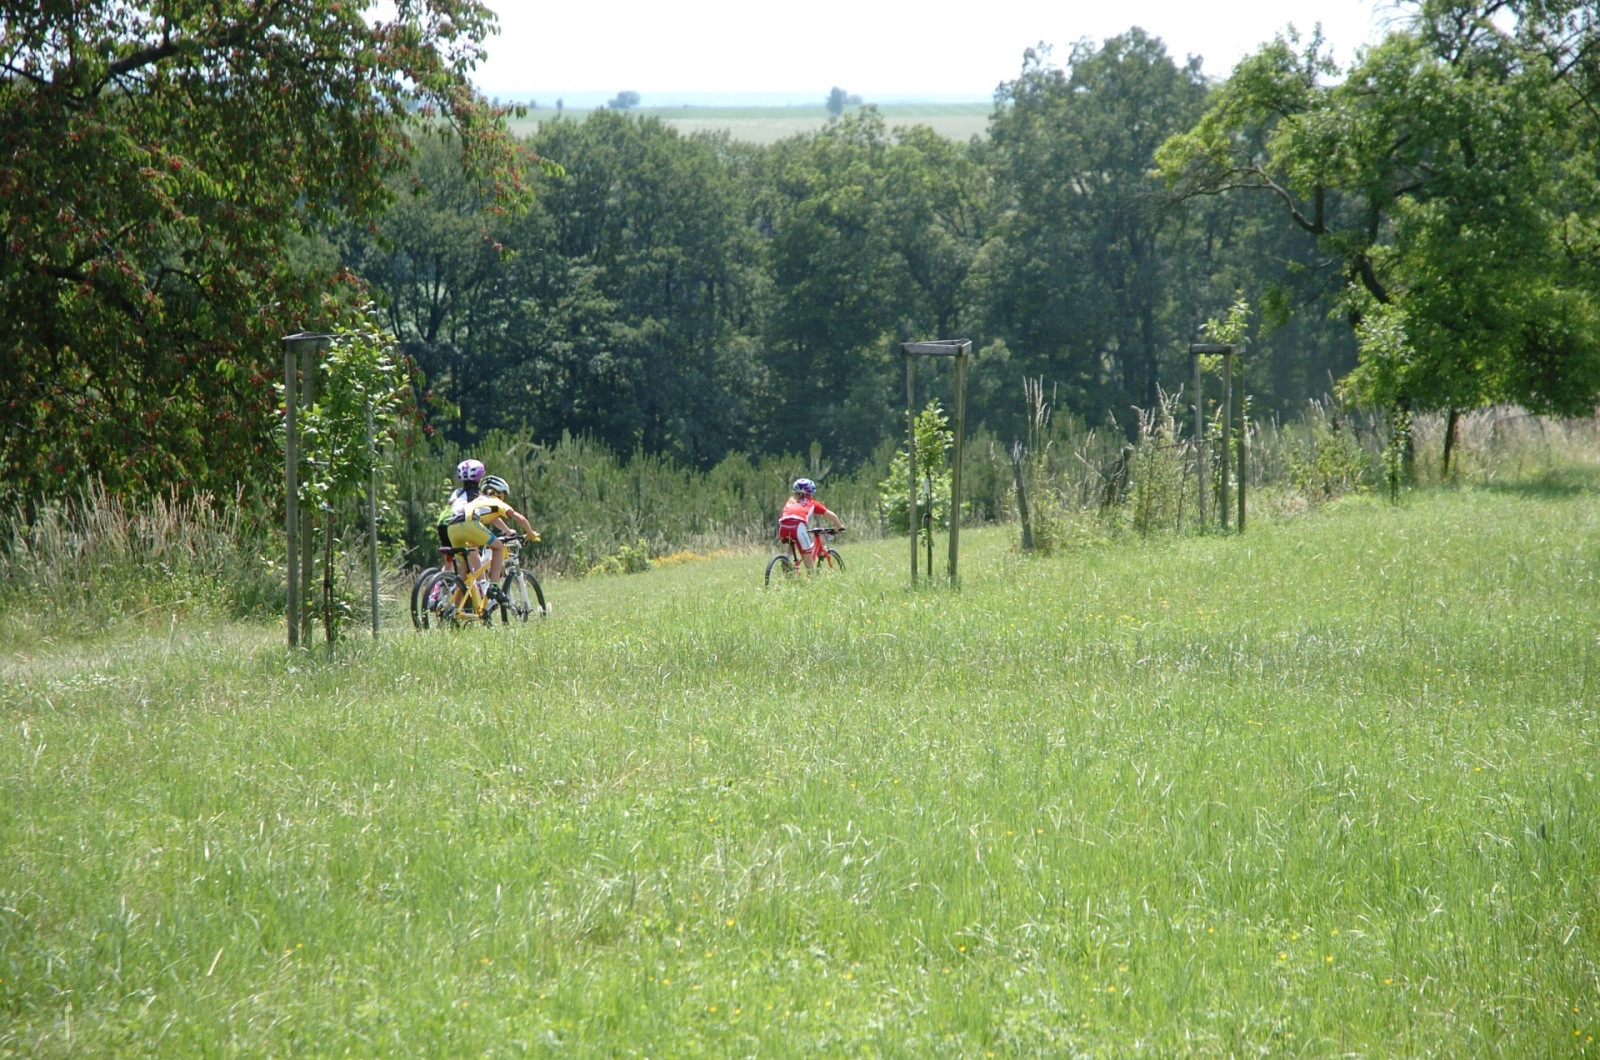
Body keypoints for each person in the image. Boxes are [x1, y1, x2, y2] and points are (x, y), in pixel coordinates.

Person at [436, 458, 486, 582]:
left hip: (443, 523)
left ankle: (436, 590)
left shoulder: (457, 492)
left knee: (449, 563)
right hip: (459, 524)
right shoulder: (477, 495)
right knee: (474, 553)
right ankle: (482, 586)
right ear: (480, 479)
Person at [778, 477, 843, 572]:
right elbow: (831, 514)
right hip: (798, 527)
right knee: (808, 559)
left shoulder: (790, 501)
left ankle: (787, 560)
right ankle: (811, 576)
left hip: (783, 527)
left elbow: (784, 514)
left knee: (792, 541)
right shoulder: (812, 503)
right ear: (810, 492)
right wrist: (839, 526)